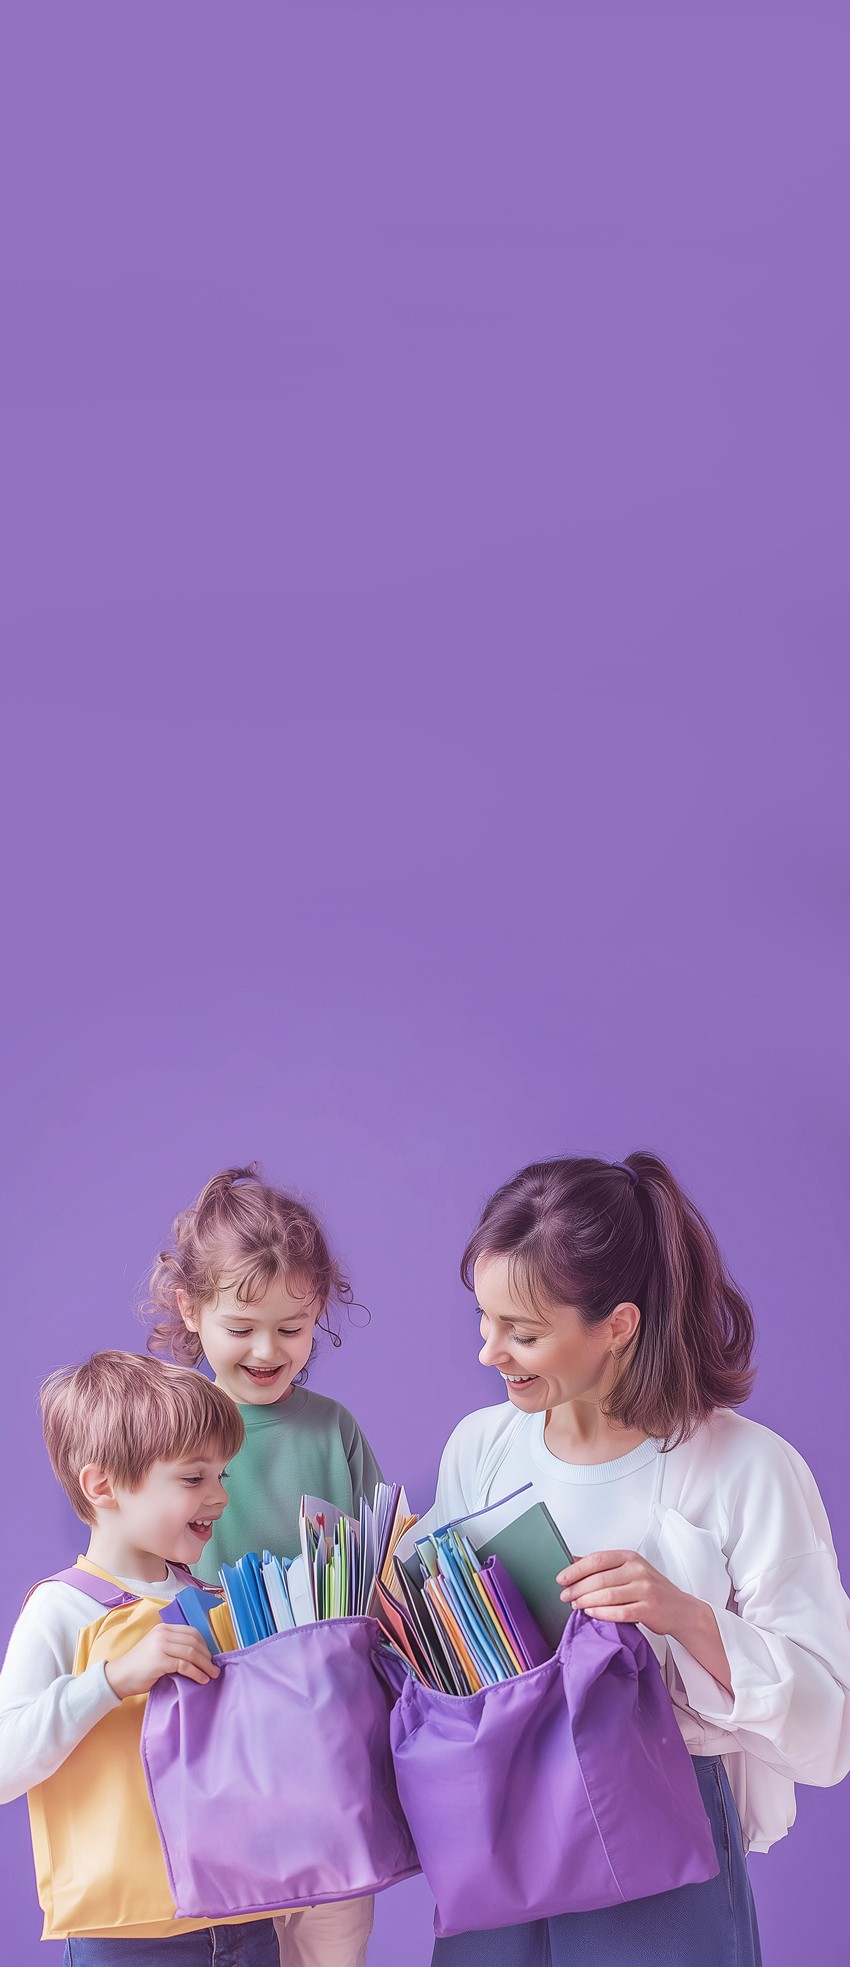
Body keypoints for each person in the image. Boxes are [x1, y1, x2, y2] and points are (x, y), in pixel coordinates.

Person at [430, 1152, 850, 1967]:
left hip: (660, 1847)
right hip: (497, 1826)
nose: (491, 1352)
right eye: (483, 1320)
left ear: (617, 1324)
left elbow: (831, 1730)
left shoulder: (746, 1467)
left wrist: (685, 1616)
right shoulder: (480, 1447)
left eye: (522, 1332)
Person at [146, 1163, 383, 1967]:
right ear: (191, 1307)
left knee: (333, 1939)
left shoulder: (333, 1429)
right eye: (243, 1323)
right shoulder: (165, 1427)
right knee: (237, 1943)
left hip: (326, 1740)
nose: (267, 1349)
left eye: (293, 1326)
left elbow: (375, 1562)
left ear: (319, 1311)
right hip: (220, 1735)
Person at [0, 1348, 280, 1966]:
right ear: (102, 1485)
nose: (219, 1498)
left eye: (222, 1476)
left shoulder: (218, 1601)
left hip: (244, 1918)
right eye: (193, 1478)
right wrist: (112, 1679)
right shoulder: (61, 1609)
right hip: (127, 1937)